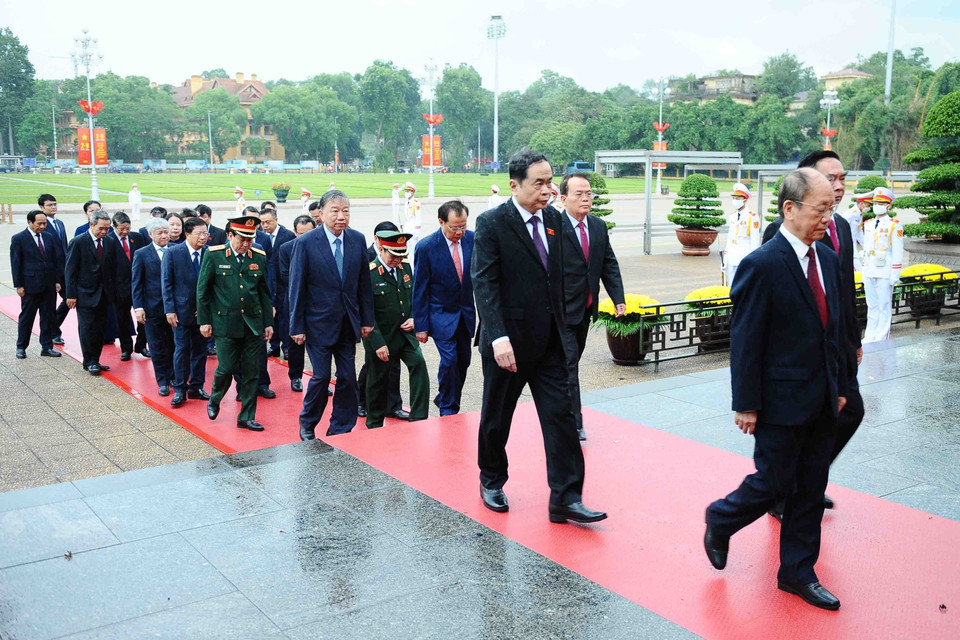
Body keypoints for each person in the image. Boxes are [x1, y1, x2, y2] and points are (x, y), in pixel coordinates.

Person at [704, 168, 847, 611]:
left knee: (810, 488)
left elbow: (834, 329)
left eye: (831, 208)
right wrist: (746, 404)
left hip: (823, 396)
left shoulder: (827, 258)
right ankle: (722, 518)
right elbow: (746, 340)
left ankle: (797, 572)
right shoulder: (761, 264)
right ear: (790, 209)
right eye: (820, 208)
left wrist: (839, 386)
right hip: (779, 400)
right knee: (774, 482)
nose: (828, 216)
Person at [472, 150, 604, 524]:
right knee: (497, 418)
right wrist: (497, 337)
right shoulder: (492, 223)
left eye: (550, 181)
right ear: (515, 185)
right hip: (507, 346)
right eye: (539, 183)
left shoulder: (555, 222)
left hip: (549, 343)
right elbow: (485, 283)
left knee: (561, 418)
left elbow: (567, 277)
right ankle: (492, 479)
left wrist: (571, 327)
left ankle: (566, 497)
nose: (548, 190)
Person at [762, 149, 865, 519]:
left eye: (842, 178)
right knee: (817, 422)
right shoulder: (782, 232)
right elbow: (771, 302)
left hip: (837, 346)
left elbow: (845, 291)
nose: (838, 186)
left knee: (849, 412)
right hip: (802, 356)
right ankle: (788, 489)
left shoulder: (843, 227)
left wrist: (854, 340)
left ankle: (807, 480)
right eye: (830, 179)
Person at [288, 189, 374, 439]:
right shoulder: (305, 243)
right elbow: (297, 287)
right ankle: (308, 423)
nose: (341, 216)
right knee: (321, 377)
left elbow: (363, 285)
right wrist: (296, 326)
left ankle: (341, 426)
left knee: (347, 377)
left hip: (348, 322)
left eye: (345, 211)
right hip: (317, 324)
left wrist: (367, 320)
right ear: (321, 213)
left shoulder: (357, 240)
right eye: (335, 211)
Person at [558, 173, 626, 441]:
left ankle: (560, 411)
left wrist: (617, 297)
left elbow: (608, 263)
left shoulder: (597, 226)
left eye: (589, 193)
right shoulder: (553, 227)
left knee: (569, 364)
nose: (586, 198)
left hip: (586, 310)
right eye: (579, 194)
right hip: (561, 313)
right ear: (563, 199)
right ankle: (574, 422)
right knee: (569, 364)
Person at [199, 216, 274, 432]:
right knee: (226, 368)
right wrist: (204, 321)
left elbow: (264, 293)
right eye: (242, 239)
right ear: (230, 235)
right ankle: (215, 398)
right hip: (225, 324)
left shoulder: (259, 257)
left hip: (252, 324)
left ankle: (247, 416)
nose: (246, 244)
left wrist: (268, 322)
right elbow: (203, 291)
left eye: (250, 240)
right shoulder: (214, 256)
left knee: (252, 371)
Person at [413, 200, 476, 416]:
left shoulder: (473, 240)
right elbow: (419, 289)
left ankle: (445, 397)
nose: (460, 231)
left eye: (463, 226)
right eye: (454, 227)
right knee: (449, 361)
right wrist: (420, 325)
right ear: (441, 222)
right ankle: (449, 407)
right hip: (440, 315)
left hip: (465, 314)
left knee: (463, 362)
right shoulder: (427, 247)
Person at [363, 230, 429, 428]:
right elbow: (366, 312)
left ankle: (419, 416)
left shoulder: (405, 268)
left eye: (401, 255)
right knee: (377, 381)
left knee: (418, 364)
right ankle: (374, 422)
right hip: (381, 338)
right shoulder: (370, 273)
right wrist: (377, 343)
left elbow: (417, 297)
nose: (397, 260)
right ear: (382, 250)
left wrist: (414, 318)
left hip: (405, 335)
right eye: (393, 255)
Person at [358, 221, 407, 418]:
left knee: (393, 365)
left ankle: (393, 405)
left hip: (394, 324)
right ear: (378, 240)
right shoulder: (367, 258)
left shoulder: (399, 257)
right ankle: (362, 401)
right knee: (372, 366)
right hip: (373, 325)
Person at [161, 216, 210, 407]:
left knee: (200, 350)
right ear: (187, 234)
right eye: (199, 234)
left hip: (204, 314)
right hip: (181, 312)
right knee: (182, 350)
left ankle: (197, 386)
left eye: (206, 233)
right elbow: (166, 283)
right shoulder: (173, 253)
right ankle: (180, 389)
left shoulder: (209, 253)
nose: (203, 237)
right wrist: (170, 310)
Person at [65, 210, 118, 375]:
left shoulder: (109, 242)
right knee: (87, 328)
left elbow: (113, 268)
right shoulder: (78, 242)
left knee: (100, 328)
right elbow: (70, 271)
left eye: (107, 228)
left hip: (104, 294)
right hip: (84, 294)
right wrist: (71, 295)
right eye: (101, 228)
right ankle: (89, 361)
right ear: (92, 224)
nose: (104, 232)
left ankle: (95, 359)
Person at [11, 210, 63, 359]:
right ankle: (21, 347)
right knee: (27, 317)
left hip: (48, 286)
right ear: (30, 222)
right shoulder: (19, 239)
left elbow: (55, 260)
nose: (42, 226)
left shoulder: (49, 237)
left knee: (48, 317)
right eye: (39, 223)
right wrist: (19, 285)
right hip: (30, 286)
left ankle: (47, 347)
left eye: (44, 223)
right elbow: (16, 263)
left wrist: (57, 280)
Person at [132, 217, 175, 396]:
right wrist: (139, 307)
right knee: (157, 345)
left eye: (166, 232)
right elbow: (137, 283)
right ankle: (162, 380)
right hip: (152, 307)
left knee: (173, 343)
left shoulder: (176, 250)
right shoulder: (142, 254)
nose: (164, 236)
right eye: (160, 233)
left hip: (173, 308)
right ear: (150, 235)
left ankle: (174, 375)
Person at [277, 215, 316, 392]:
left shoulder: (321, 247)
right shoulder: (286, 249)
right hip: (294, 301)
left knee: (319, 343)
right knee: (295, 342)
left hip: (316, 302)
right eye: (301, 234)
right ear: (294, 232)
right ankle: (296, 376)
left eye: (308, 233)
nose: (304, 237)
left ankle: (319, 378)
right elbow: (284, 275)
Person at [861, 187, 903, 344]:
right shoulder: (869, 224)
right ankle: (870, 334)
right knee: (871, 305)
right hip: (869, 269)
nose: (877, 205)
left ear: (888, 206)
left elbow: (898, 251)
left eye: (881, 203)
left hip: (885, 270)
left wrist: (895, 274)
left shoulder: (894, 225)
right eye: (875, 202)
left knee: (884, 305)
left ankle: (882, 336)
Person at [106, 211, 147, 361]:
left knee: (144, 317)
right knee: (122, 319)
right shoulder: (108, 240)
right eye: (121, 229)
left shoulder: (137, 237)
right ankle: (126, 348)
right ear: (114, 227)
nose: (125, 232)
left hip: (139, 286)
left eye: (127, 228)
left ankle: (141, 345)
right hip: (119, 288)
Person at [258, 205, 295, 358]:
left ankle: (286, 347)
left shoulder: (287, 235)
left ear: (276, 220)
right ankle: (274, 346)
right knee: (270, 315)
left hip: (284, 283)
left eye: (268, 222)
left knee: (285, 316)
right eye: (263, 222)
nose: (265, 225)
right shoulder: (260, 236)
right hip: (268, 282)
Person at [39, 194, 69, 346]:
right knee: (50, 304)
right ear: (41, 207)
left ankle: (53, 329)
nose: (53, 207)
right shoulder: (42, 225)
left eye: (55, 204)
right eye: (49, 205)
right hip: (51, 272)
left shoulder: (60, 223)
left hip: (64, 269)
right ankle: (53, 332)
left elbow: (65, 246)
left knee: (69, 299)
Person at [723, 183, 761, 286]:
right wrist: (725, 258)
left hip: (744, 257)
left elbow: (755, 241)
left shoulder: (752, 217)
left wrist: (754, 260)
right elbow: (730, 238)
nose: (735, 201)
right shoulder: (732, 217)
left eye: (738, 198)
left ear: (745, 200)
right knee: (731, 286)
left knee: (744, 286)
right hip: (732, 256)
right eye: (734, 198)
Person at [841, 190, 873, 270]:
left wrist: (866, 245)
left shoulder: (859, 214)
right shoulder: (851, 214)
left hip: (853, 246)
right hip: (847, 246)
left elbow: (859, 232)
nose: (869, 208)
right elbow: (840, 227)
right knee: (857, 270)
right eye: (868, 205)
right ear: (862, 204)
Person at [402, 182, 422, 259]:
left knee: (413, 249)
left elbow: (418, 217)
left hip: (413, 227)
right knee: (407, 249)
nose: (407, 193)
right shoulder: (406, 202)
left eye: (408, 191)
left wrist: (417, 231)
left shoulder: (416, 203)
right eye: (406, 191)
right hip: (407, 226)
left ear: (413, 192)